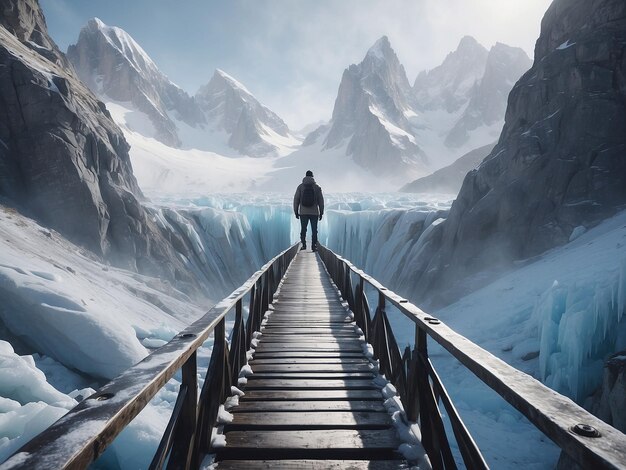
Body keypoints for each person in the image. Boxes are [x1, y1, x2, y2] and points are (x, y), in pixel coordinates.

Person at [293, 170, 324, 251]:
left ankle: (304, 245)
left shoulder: (300, 187)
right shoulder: (317, 187)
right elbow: (321, 201)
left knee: (303, 229)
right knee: (314, 230)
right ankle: (314, 246)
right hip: (314, 213)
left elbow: (296, 200)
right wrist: (321, 212)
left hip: (303, 213)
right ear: (312, 176)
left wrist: (296, 212)